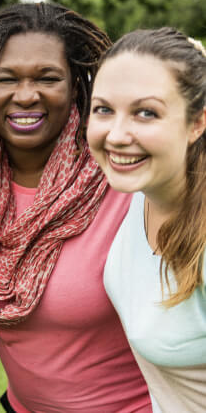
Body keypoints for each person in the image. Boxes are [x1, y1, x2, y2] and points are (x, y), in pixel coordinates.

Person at [0, 3, 151, 412]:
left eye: (48, 78)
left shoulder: (125, 183)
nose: (25, 95)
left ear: (78, 85)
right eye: (5, 79)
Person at [87, 28, 206, 411]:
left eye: (146, 112)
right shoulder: (141, 190)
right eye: (103, 109)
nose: (117, 135)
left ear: (196, 124)